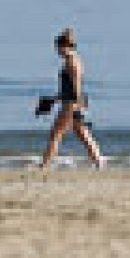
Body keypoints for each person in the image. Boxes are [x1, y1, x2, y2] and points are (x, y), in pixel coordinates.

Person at [39, 28, 105, 169]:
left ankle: (45, 165)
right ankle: (99, 163)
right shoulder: (73, 60)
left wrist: (76, 106)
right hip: (72, 102)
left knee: (55, 134)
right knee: (83, 135)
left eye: (59, 48)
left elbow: (76, 87)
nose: (58, 52)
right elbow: (68, 88)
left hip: (71, 104)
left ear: (65, 46)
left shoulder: (72, 62)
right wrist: (53, 99)